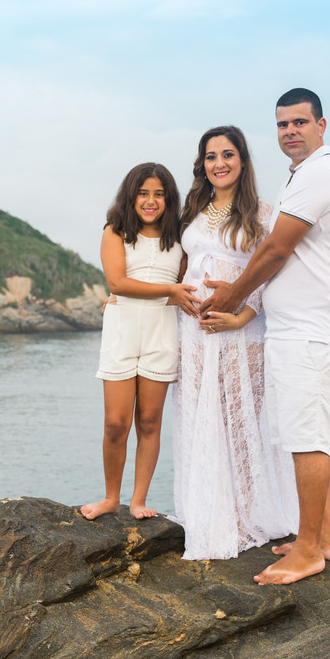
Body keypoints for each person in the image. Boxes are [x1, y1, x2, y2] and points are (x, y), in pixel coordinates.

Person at [200, 88, 330, 585]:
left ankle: (309, 551)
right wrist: (242, 294)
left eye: (300, 122)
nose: (290, 131)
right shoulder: (303, 177)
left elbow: (274, 251)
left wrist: (232, 299)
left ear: (321, 126)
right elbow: (274, 253)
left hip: (312, 333)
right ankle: (325, 538)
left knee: (307, 439)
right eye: (282, 124)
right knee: (306, 435)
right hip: (301, 331)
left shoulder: (320, 174)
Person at [172, 125, 299, 560]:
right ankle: (206, 511)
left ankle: (247, 516)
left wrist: (243, 314)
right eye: (210, 156)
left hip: (241, 331)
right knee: (198, 418)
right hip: (194, 332)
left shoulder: (262, 213)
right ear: (201, 165)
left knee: (240, 424)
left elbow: (273, 269)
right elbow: (181, 266)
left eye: (228, 154)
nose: (219, 163)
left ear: (242, 161)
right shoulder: (193, 210)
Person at [82, 163, 198, 521]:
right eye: (143, 193)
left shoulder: (180, 237)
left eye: (159, 194)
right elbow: (117, 283)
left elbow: (187, 282)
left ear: (169, 198)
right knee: (116, 423)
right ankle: (110, 498)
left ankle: (138, 500)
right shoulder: (114, 232)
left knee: (149, 421)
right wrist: (168, 291)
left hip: (162, 332)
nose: (150, 201)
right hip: (121, 330)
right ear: (130, 196)